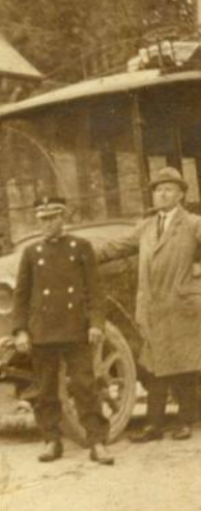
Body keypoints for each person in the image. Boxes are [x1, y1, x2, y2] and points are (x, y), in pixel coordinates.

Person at [97, 167, 201, 442]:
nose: (161, 194)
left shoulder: (192, 223)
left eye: (168, 189)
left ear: (180, 194)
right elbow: (116, 247)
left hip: (180, 305)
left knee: (183, 367)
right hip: (151, 308)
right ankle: (153, 426)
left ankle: (185, 422)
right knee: (154, 367)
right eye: (157, 189)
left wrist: (197, 279)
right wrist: (81, 254)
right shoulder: (145, 226)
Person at [12, 196, 113, 465]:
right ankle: (51, 441)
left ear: (63, 218)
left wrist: (96, 323)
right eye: (43, 219)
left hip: (75, 329)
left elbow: (95, 290)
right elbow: (21, 295)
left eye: (52, 218)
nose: (47, 224)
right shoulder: (32, 253)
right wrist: (20, 330)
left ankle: (97, 442)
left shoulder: (81, 247)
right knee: (45, 390)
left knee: (85, 386)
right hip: (42, 331)